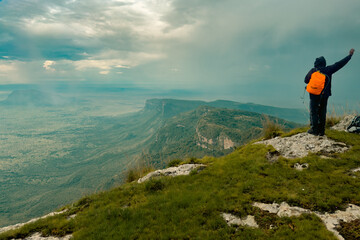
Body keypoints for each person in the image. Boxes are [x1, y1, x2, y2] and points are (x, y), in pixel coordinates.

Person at [304, 48, 355, 136]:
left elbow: (306, 80)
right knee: (322, 112)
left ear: (316, 63)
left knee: (314, 111)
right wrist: (349, 56)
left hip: (314, 95)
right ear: (324, 63)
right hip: (324, 94)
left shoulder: (313, 70)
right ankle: (321, 131)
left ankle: (314, 129)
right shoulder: (329, 70)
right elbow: (339, 64)